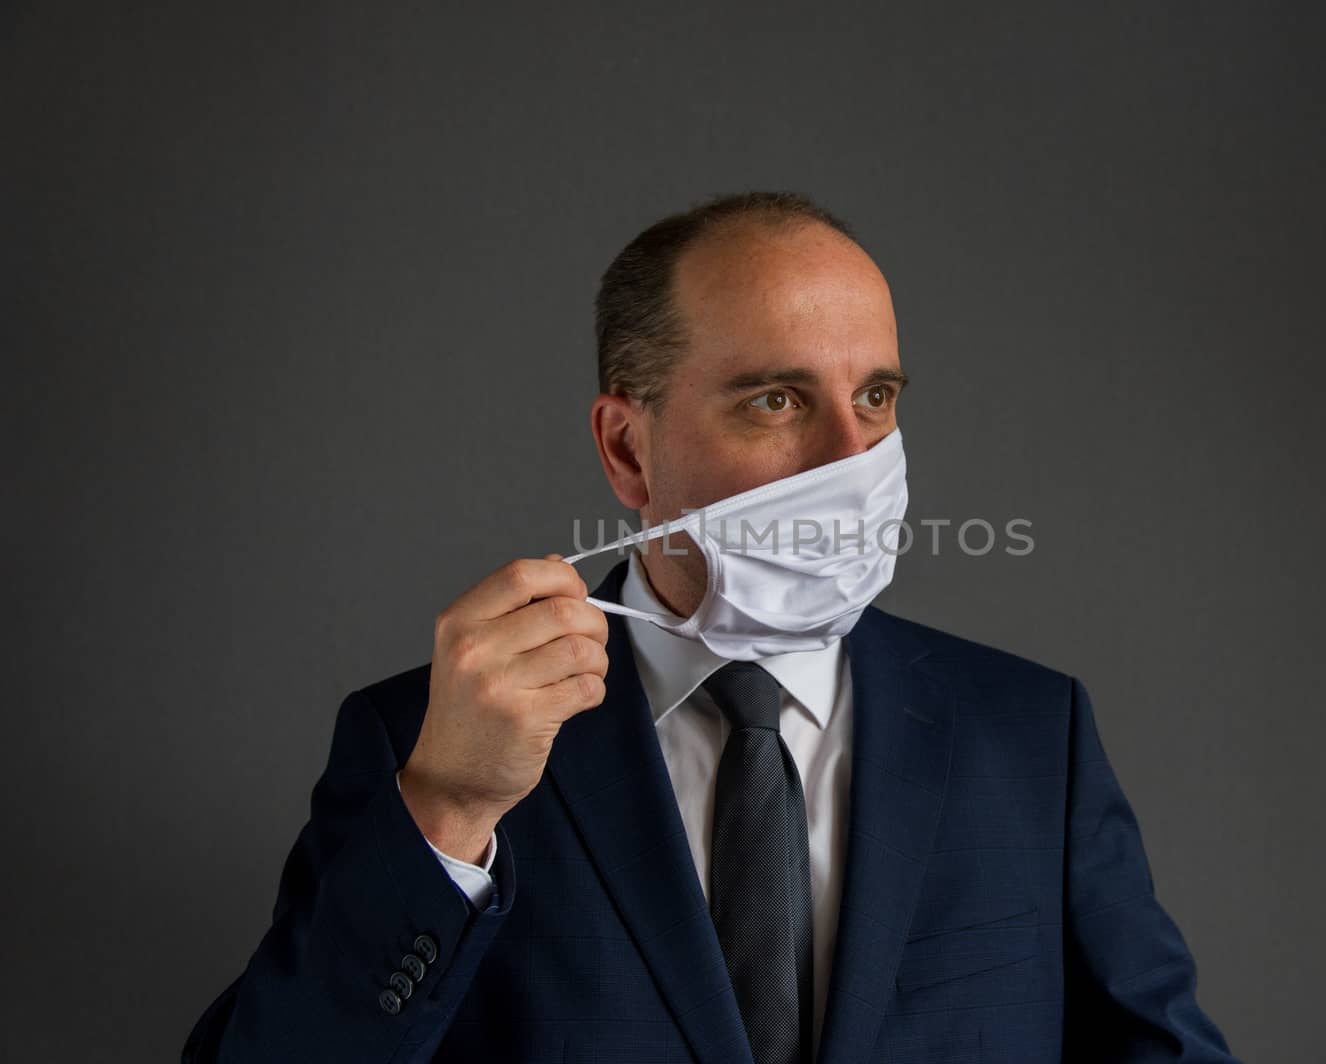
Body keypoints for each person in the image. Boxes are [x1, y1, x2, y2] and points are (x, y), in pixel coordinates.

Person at [182, 190, 1241, 1063]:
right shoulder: (427, 735)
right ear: (629, 451)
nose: (850, 459)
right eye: (776, 400)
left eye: (874, 396)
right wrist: (449, 811)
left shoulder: (1027, 731)